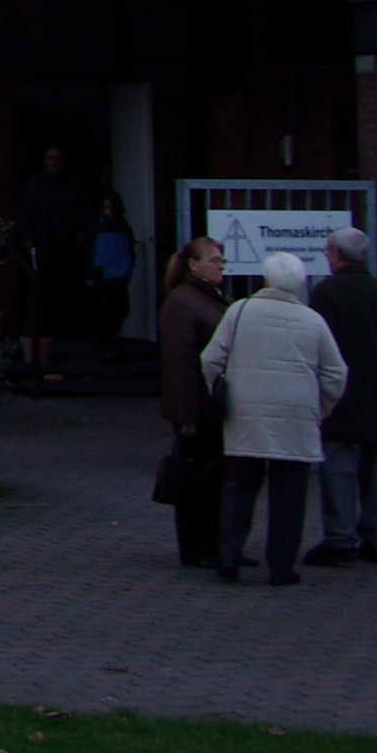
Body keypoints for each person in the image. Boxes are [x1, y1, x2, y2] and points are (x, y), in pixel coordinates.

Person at [199, 249, 347, 585]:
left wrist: (221, 392)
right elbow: (336, 374)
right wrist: (319, 408)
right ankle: (281, 567)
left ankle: (229, 556)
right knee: (289, 495)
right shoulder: (312, 320)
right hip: (296, 414)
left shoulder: (240, 311)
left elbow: (210, 358)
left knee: (239, 485)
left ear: (266, 280)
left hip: (245, 411)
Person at [305, 224, 377, 567]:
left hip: (340, 395)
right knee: (375, 469)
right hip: (376, 394)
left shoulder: (327, 294)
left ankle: (340, 537)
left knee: (339, 467)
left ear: (335, 255)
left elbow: (319, 346)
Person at [152, 235, 229, 569]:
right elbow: (179, 363)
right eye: (214, 259)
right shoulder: (183, 303)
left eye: (222, 259)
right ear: (193, 265)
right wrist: (186, 414)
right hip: (196, 407)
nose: (220, 265)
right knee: (197, 479)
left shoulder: (208, 298)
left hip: (209, 405)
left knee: (212, 477)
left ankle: (214, 543)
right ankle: (198, 547)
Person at [16, 144, 91, 369]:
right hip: (44, 249)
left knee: (68, 292)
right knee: (42, 293)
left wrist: (81, 234)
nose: (54, 162)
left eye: (57, 158)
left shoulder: (73, 185)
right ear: (44, 161)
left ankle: (68, 337)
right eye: (50, 158)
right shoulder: (36, 186)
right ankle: (43, 338)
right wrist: (28, 240)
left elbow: (84, 212)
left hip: (68, 250)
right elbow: (24, 214)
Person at [86, 188, 140, 340]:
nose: (109, 212)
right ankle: (105, 344)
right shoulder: (95, 227)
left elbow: (130, 249)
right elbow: (90, 251)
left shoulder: (124, 227)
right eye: (106, 208)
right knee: (104, 311)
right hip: (102, 275)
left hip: (120, 275)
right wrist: (91, 274)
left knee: (122, 310)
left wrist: (129, 268)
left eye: (111, 208)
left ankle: (111, 340)